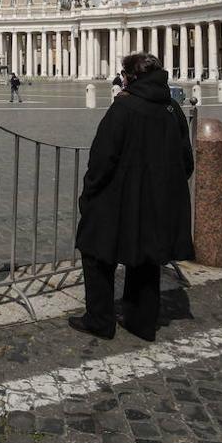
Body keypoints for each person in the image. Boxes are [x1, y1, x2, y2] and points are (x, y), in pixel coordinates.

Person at [70, 52, 194, 341]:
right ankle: (142, 322)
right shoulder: (173, 109)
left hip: (117, 199)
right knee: (147, 258)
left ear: (130, 77)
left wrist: (89, 193)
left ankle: (100, 319)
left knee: (96, 252)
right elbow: (186, 162)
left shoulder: (123, 108)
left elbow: (102, 159)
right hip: (158, 201)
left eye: (124, 75)